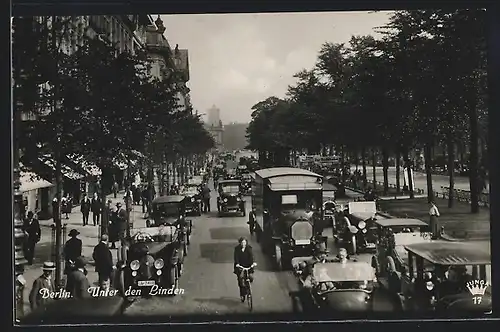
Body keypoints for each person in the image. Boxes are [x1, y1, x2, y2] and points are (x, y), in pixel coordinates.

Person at [233, 237, 256, 302]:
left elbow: (251, 256)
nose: (243, 244)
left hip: (248, 265)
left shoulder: (249, 248)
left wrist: (253, 263)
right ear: (240, 243)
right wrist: (237, 264)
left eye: (244, 242)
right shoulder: (237, 249)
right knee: (241, 281)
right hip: (240, 266)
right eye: (242, 242)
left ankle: (248, 287)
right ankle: (242, 294)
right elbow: (236, 257)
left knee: (251, 277)